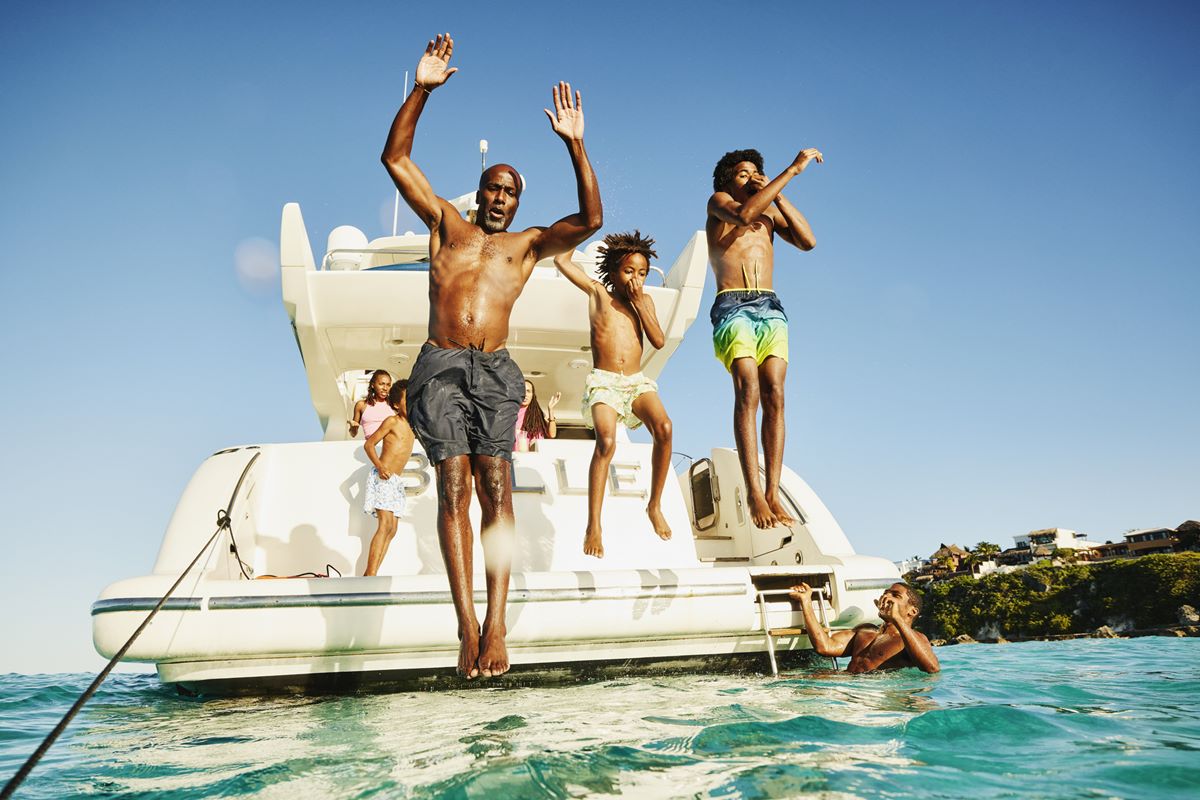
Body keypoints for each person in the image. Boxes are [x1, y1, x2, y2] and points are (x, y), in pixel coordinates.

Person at [381, 33, 602, 678]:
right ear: (480, 193)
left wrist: (576, 144)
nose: (501, 197)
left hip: (497, 372)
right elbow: (395, 157)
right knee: (453, 487)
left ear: (519, 200)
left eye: (510, 190)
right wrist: (421, 88)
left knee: (497, 490)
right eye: (492, 188)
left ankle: (498, 624)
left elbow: (590, 217)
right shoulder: (447, 225)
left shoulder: (530, 246)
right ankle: (466, 626)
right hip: (441, 365)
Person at [706, 147, 822, 529]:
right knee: (748, 389)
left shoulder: (770, 213)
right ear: (727, 180)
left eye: (756, 172)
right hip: (732, 303)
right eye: (742, 173)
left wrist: (780, 192)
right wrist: (792, 169)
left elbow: (808, 242)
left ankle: (773, 490)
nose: (750, 177)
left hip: (770, 306)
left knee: (775, 391)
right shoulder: (720, 202)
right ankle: (754, 492)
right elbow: (743, 214)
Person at [553, 232, 673, 558]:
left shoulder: (645, 302)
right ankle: (594, 524)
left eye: (642, 273)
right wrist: (576, 231)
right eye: (629, 271)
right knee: (606, 442)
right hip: (604, 381)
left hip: (634, 381)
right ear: (615, 270)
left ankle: (654, 505)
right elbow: (561, 260)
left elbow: (659, 341)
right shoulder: (598, 294)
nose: (636, 278)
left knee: (664, 429)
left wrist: (638, 303)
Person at [788, 582, 940, 673]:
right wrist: (805, 601)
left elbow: (932, 668)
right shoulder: (865, 630)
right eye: (885, 593)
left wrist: (897, 619)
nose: (887, 597)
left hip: (876, 693)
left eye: (896, 595)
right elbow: (824, 646)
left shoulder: (914, 639)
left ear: (912, 611)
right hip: (847, 684)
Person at [362, 381, 415, 577]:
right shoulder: (392, 422)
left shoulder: (413, 426)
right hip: (383, 477)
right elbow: (369, 445)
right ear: (395, 405)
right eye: (408, 400)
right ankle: (370, 573)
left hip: (396, 482)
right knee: (385, 525)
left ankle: (373, 571)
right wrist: (379, 465)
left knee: (392, 529)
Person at [516, 380, 560, 452]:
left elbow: (552, 434)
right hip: (515, 456)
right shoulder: (511, 413)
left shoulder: (538, 414)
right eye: (522, 390)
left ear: (533, 395)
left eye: (528, 391)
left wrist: (551, 410)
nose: (525, 394)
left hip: (534, 457)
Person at [349, 370, 394, 439]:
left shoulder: (394, 404)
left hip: (392, 447)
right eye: (381, 384)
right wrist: (353, 427)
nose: (385, 388)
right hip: (371, 448)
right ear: (373, 385)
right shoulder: (361, 405)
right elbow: (353, 434)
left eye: (388, 385)